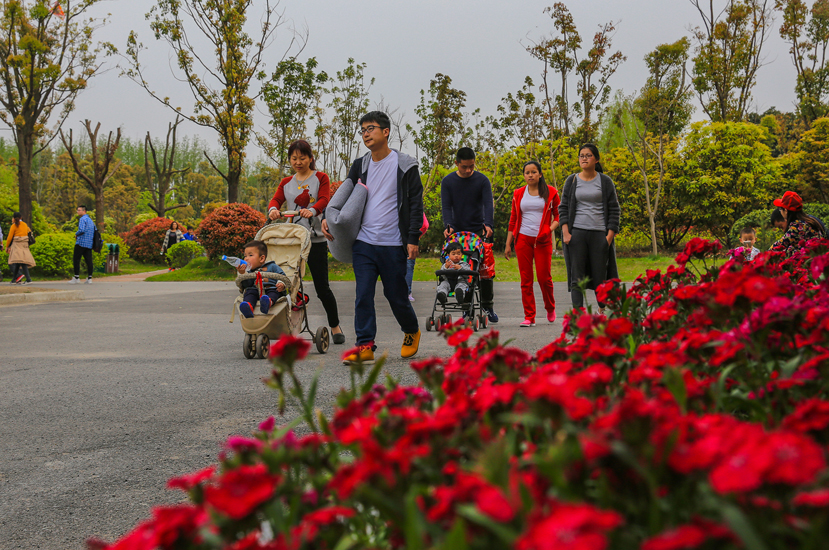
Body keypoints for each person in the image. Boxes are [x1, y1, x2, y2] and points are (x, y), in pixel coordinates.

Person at [322, 111, 423, 365]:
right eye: (363, 130)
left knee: (396, 295)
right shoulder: (360, 165)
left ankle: (411, 330)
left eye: (371, 128)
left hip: (393, 243)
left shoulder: (405, 166)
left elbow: (415, 206)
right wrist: (327, 217)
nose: (366, 133)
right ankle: (364, 346)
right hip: (364, 243)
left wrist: (413, 239)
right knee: (363, 294)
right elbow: (342, 195)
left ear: (386, 131)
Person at [268, 139, 345, 344]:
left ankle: (335, 326)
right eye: (294, 158)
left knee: (322, 288)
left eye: (302, 158)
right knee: (288, 285)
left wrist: (311, 210)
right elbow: (276, 200)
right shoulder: (286, 182)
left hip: (315, 240)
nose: (298, 162)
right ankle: (286, 326)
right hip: (292, 241)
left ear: (311, 158)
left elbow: (323, 199)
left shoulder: (320, 177)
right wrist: (273, 210)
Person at [560, 144, 621, 310]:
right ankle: (578, 314)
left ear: (596, 159)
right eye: (581, 155)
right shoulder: (572, 180)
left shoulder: (605, 181)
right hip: (576, 234)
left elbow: (614, 209)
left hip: (599, 234)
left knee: (600, 275)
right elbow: (563, 207)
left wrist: (609, 236)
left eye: (588, 155)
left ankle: (602, 306)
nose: (584, 158)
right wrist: (566, 233)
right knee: (576, 276)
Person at [440, 147, 498, 322]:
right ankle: (466, 308)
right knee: (463, 270)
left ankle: (487, 306)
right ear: (456, 163)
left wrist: (488, 224)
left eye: (471, 166)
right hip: (457, 234)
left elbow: (488, 204)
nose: (468, 170)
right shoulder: (448, 182)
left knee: (484, 270)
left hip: (478, 232)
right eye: (464, 166)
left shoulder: (482, 180)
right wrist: (448, 225)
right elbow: (446, 206)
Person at [504, 161, 560, 327]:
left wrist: (549, 230)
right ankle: (529, 316)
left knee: (544, 278)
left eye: (533, 172)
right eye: (527, 172)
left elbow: (558, 216)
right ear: (524, 175)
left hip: (542, 241)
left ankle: (550, 307)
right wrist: (508, 244)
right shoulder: (519, 194)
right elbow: (513, 219)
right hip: (523, 240)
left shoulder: (550, 192)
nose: (530, 175)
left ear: (540, 174)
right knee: (525, 280)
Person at [237, 240, 287, 318]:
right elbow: (247, 284)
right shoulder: (249, 271)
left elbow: (282, 276)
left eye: (250, 255)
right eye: (245, 256)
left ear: (261, 258)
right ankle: (248, 307)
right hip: (255, 290)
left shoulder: (272, 266)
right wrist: (243, 273)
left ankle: (268, 302)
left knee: (274, 292)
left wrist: (281, 284)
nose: (246, 259)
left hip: (271, 288)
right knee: (249, 292)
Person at [770, 191, 825, 256]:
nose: (780, 212)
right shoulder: (809, 220)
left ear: (786, 210)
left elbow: (778, 246)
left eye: (780, 209)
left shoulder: (798, 226)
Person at [5, 212, 35, 284]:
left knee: (21, 261)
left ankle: (28, 279)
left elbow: (10, 237)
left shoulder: (14, 226)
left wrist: (7, 246)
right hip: (24, 244)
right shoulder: (24, 224)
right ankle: (14, 279)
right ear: (21, 217)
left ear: (13, 218)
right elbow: (29, 232)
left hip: (17, 244)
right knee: (18, 261)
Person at [405, 214, 429, 302]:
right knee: (408, 266)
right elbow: (424, 225)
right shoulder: (414, 205)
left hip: (397, 238)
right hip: (410, 239)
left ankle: (397, 292)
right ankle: (407, 293)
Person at [70, 205, 95, 284]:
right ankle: (89, 278)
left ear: (84, 211)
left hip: (81, 243)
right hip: (89, 243)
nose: (78, 212)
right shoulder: (90, 220)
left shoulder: (82, 219)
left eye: (79, 210)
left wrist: (76, 234)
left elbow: (82, 230)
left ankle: (77, 277)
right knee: (89, 261)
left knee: (76, 259)